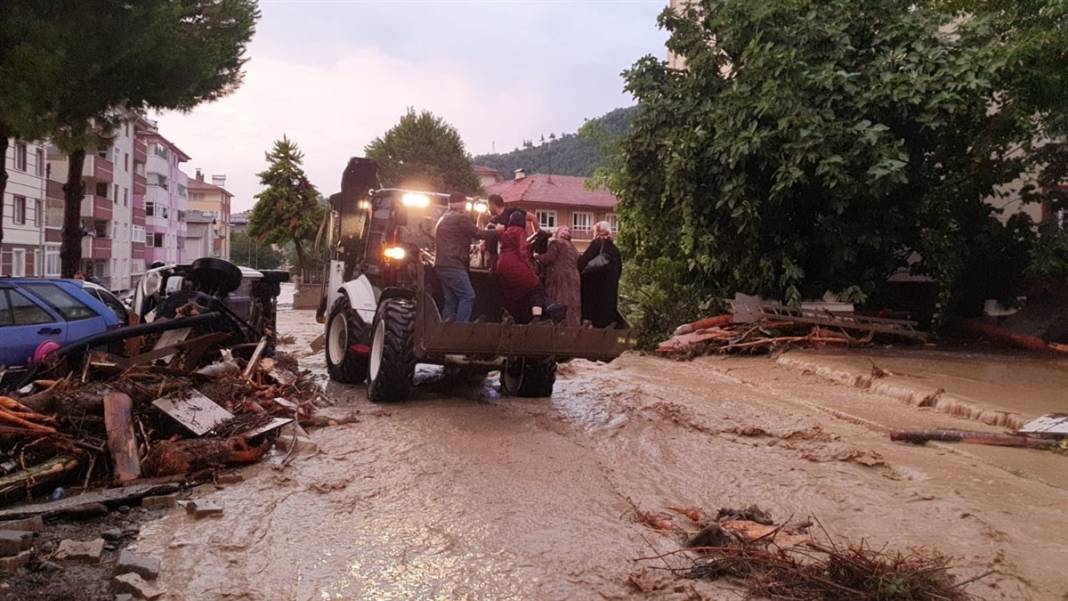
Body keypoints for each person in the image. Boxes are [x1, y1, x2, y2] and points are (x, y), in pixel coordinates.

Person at [434, 193, 496, 322]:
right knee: (468, 295)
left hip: (441, 264)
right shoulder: (460, 218)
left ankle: (445, 329)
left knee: (451, 299)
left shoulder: (444, 217)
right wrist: (498, 231)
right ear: (462, 205)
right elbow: (478, 233)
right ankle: (460, 328)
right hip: (454, 265)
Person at [496, 210, 544, 323]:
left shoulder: (506, 232)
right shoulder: (520, 231)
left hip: (501, 265)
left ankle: (509, 317)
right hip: (515, 265)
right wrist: (531, 268)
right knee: (536, 286)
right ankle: (536, 318)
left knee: (513, 292)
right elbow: (523, 251)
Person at [577, 221, 623, 328]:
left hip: (594, 286)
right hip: (609, 289)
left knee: (591, 311)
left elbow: (583, 262)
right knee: (604, 315)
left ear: (597, 231)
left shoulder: (597, 244)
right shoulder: (615, 249)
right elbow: (619, 269)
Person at [535, 225, 581, 326]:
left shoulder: (556, 242)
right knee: (571, 304)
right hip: (574, 277)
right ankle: (572, 325)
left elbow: (549, 258)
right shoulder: (572, 247)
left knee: (559, 301)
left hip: (559, 277)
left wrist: (536, 257)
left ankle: (560, 326)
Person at [484, 194, 536, 270]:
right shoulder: (493, 221)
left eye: (488, 205)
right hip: (505, 256)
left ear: (492, 204)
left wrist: (535, 237)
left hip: (520, 253)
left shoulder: (513, 212)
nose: (488, 208)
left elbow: (533, 218)